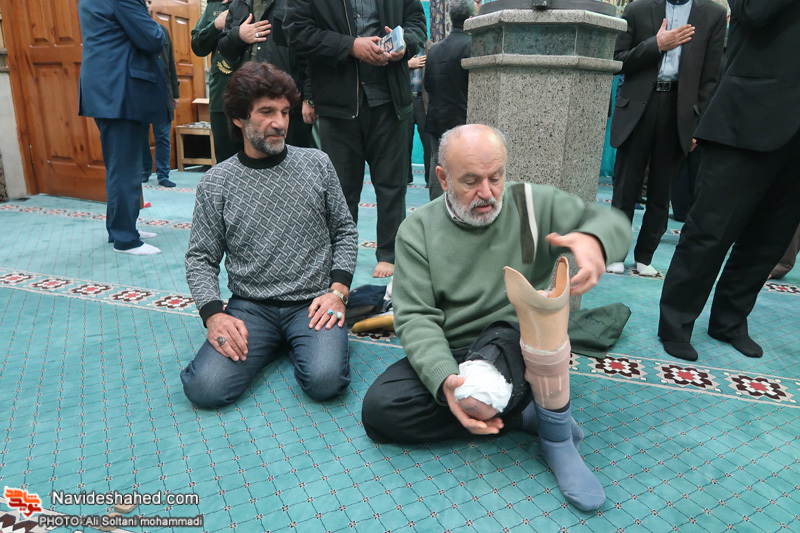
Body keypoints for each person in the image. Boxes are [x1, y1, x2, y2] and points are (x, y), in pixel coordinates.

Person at [361, 124, 632, 510]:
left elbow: (613, 223)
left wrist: (595, 240)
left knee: (515, 331)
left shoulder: (530, 206)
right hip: (454, 348)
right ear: (443, 178)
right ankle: (524, 415)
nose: (487, 192)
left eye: (496, 177)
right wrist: (445, 380)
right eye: (471, 181)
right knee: (380, 410)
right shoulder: (418, 230)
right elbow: (416, 316)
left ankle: (556, 438)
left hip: (513, 339)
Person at [181, 62, 358, 408]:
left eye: (285, 112)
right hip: (251, 307)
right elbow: (200, 257)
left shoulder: (317, 164)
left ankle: (292, 341)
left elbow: (345, 231)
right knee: (205, 389)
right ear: (239, 118)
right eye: (266, 112)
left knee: (325, 381)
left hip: (313, 303)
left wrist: (338, 292)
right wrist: (214, 314)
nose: (280, 123)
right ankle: (279, 341)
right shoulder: (216, 183)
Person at [659, 0, 800, 362]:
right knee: (710, 230)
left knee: (770, 238)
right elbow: (754, 12)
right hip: (748, 115)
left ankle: (730, 321)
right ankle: (675, 322)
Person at [284, 0, 427, 278]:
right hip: (338, 104)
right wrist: (349, 46)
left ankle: (389, 253)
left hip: (389, 100)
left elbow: (417, 24)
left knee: (392, 185)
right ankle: (340, 258)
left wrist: (404, 44)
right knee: (341, 191)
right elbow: (296, 32)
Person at [607, 0, 726, 276]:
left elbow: (711, 79)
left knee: (662, 191)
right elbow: (617, 60)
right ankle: (615, 253)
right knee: (625, 188)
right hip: (638, 106)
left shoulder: (714, 15)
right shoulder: (637, 9)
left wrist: (698, 123)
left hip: (679, 110)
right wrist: (656, 45)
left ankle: (644, 257)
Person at [78, 0, 170, 255]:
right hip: (119, 89)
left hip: (110, 88)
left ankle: (121, 228)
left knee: (120, 165)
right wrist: (154, 23)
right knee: (124, 168)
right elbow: (153, 39)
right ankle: (125, 239)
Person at [218, 0, 314, 148]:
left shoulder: (295, 3)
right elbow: (225, 50)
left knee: (291, 153)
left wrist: (309, 98)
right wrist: (239, 35)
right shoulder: (238, 5)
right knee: (252, 154)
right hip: (248, 100)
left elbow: (309, 51)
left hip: (288, 100)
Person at [423, 0, 475, 200]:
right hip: (463, 122)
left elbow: (428, 85)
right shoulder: (473, 47)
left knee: (438, 168)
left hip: (436, 121)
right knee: (465, 169)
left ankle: (436, 210)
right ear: (471, 18)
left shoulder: (434, 50)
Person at [191, 0, 243, 162]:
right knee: (225, 159)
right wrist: (215, 26)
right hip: (222, 92)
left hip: (253, 93)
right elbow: (197, 45)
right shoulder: (215, 6)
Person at [142, 22, 179, 188]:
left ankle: (163, 174)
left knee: (163, 136)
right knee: (141, 135)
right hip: (141, 90)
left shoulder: (162, 30)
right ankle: (144, 171)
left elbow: (170, 62)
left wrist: (175, 94)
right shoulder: (134, 27)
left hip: (163, 91)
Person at [406, 46, 431, 185]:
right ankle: (405, 178)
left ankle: (430, 179)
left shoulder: (433, 49)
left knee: (428, 143)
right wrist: (407, 64)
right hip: (406, 100)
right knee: (404, 142)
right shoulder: (404, 47)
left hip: (424, 101)